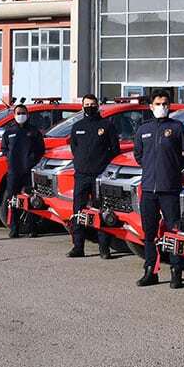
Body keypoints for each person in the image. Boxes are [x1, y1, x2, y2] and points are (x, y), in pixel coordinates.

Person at [132, 89, 184, 288]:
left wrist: (174, 166)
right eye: (158, 104)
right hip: (148, 188)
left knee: (174, 231)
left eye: (165, 104)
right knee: (149, 232)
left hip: (170, 189)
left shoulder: (177, 128)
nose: (162, 107)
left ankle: (177, 271)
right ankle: (151, 270)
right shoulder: (143, 129)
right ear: (151, 106)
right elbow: (138, 155)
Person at [66, 94, 119, 259]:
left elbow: (115, 149)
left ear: (98, 106)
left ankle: (104, 248)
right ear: (83, 107)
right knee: (78, 212)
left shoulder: (107, 125)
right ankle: (78, 247)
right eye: (87, 104)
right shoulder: (77, 127)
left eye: (92, 104)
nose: (90, 107)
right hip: (81, 175)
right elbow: (74, 148)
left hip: (99, 176)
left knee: (101, 211)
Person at [1, 104, 45, 238]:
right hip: (14, 171)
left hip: (28, 171)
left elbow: (41, 149)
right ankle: (14, 228)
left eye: (23, 113)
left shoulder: (33, 131)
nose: (21, 115)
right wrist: (10, 157)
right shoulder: (9, 132)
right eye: (18, 113)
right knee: (13, 200)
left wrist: (32, 159)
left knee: (31, 199)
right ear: (14, 115)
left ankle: (32, 228)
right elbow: (4, 149)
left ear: (27, 115)